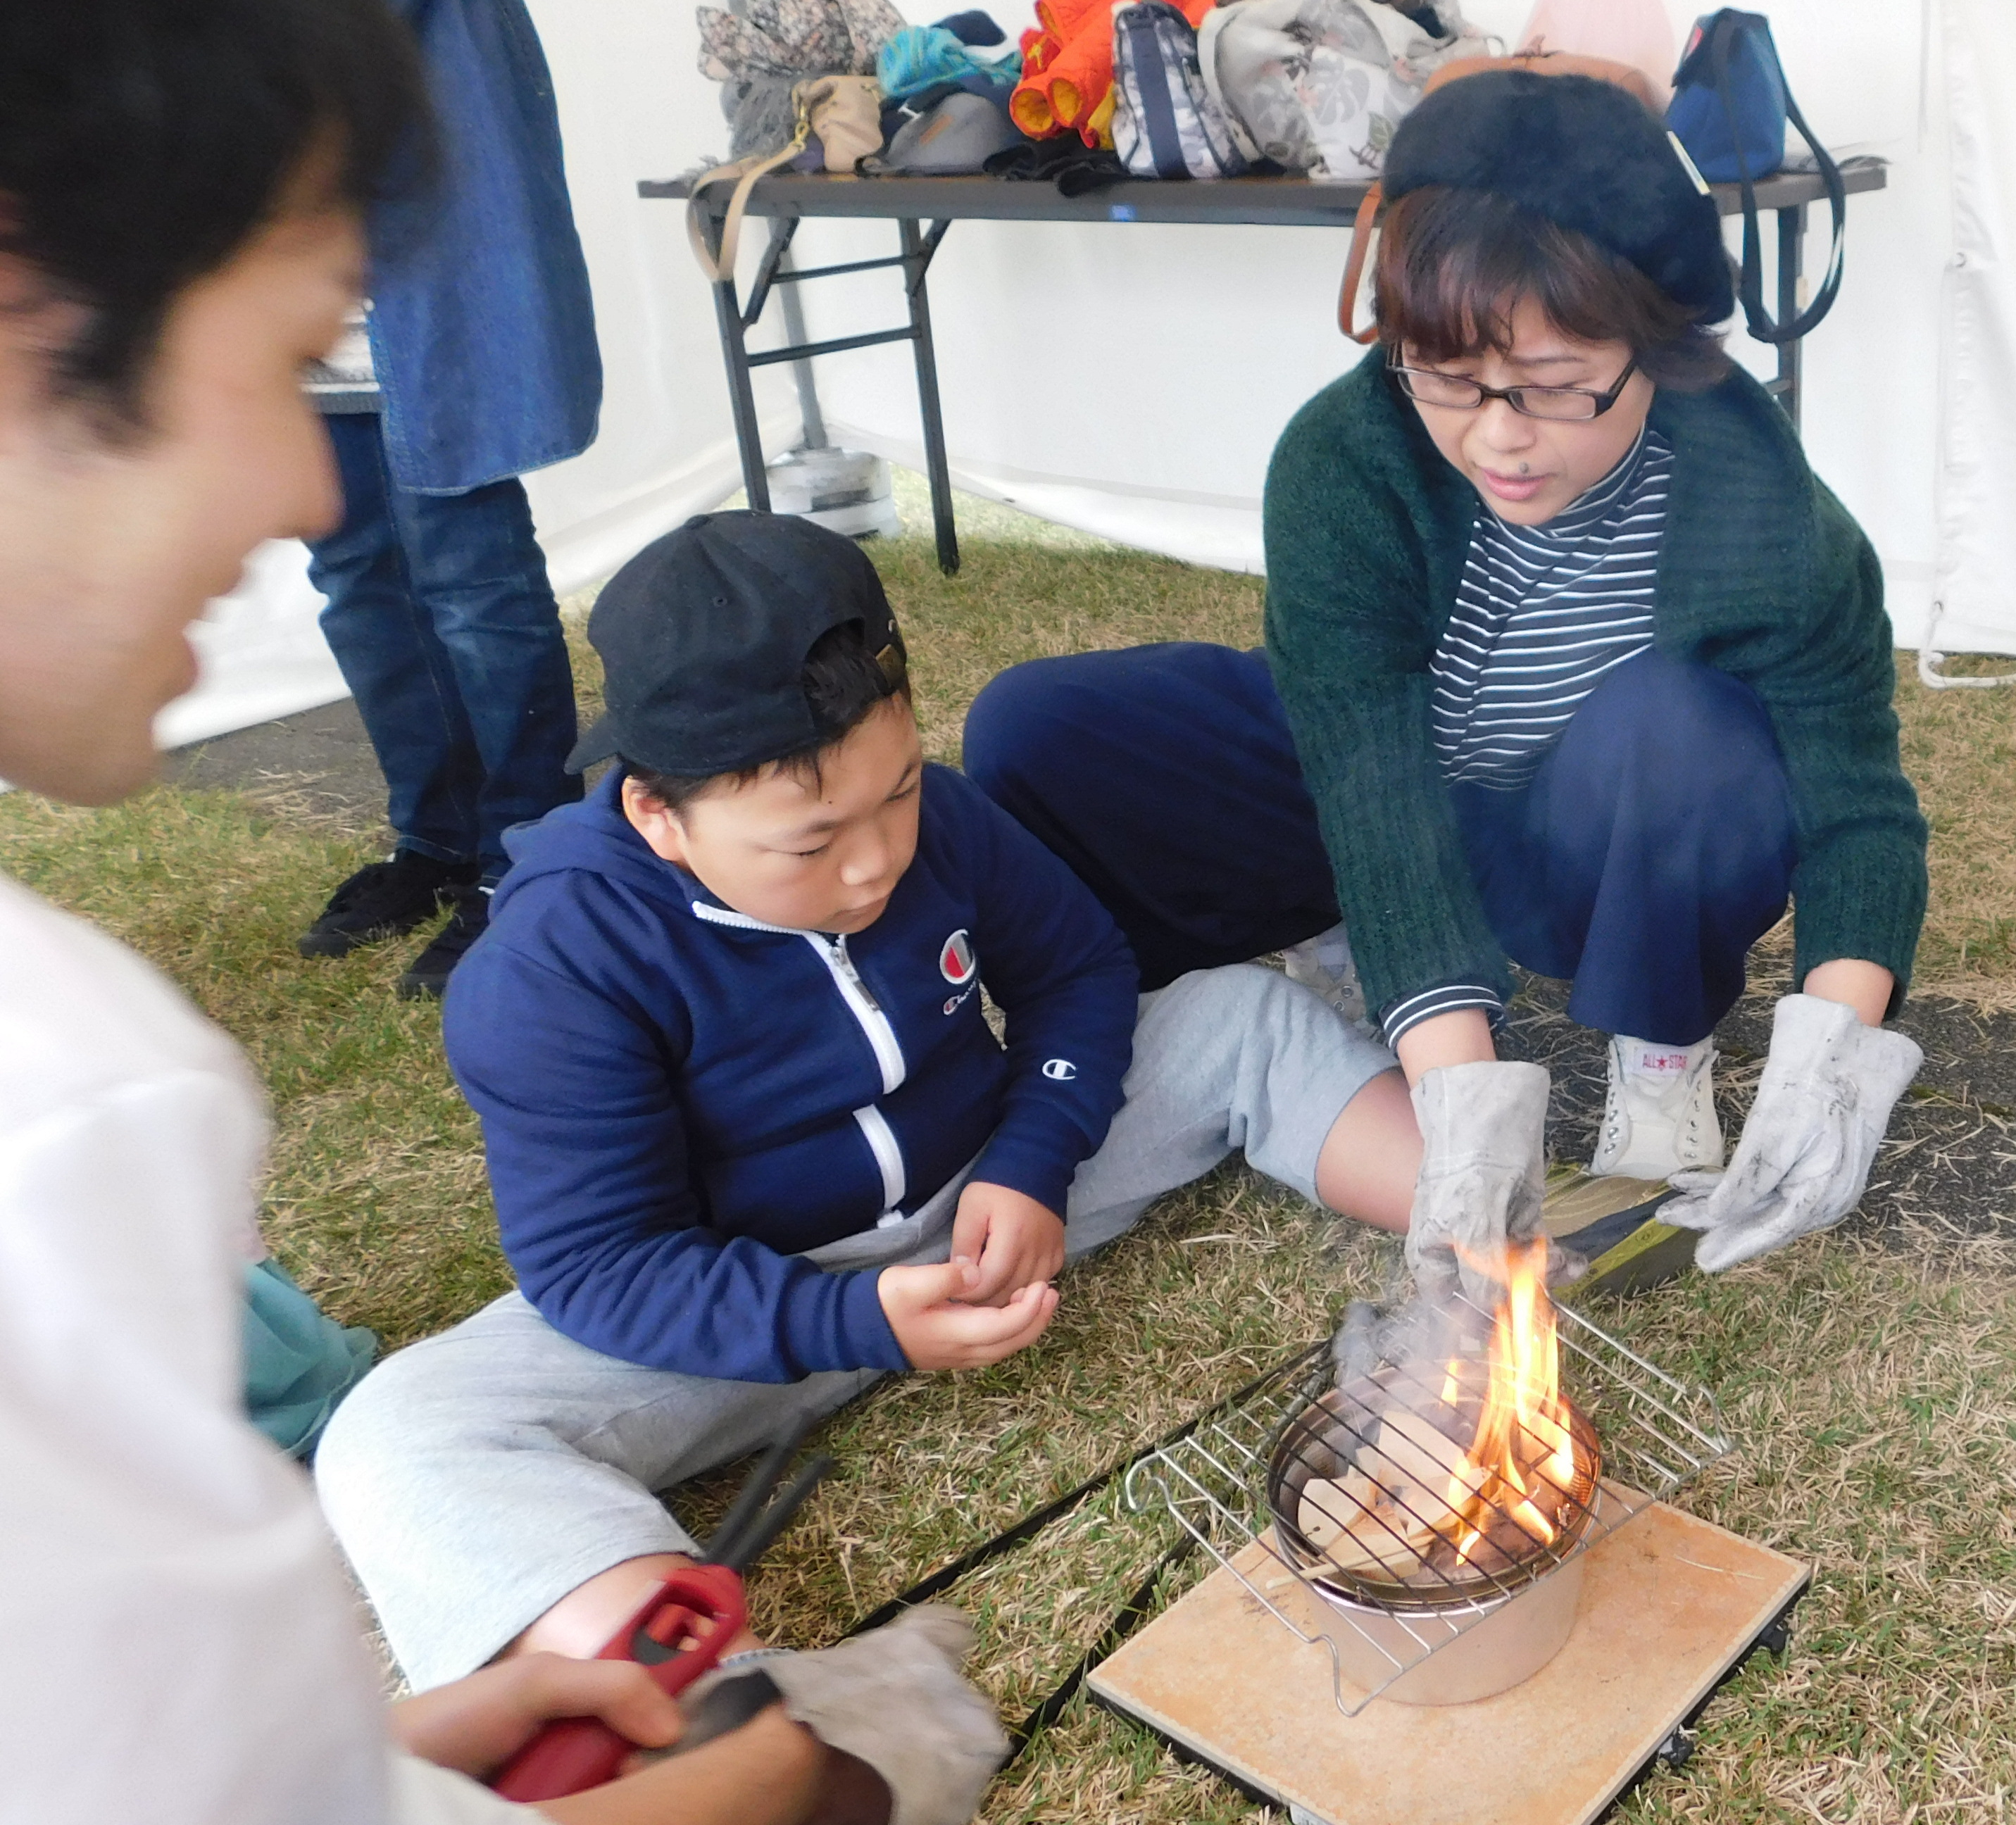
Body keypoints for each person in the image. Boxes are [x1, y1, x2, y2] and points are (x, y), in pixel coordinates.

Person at [0, 3, 996, 1820]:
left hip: (897, 1246)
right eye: (291, 353)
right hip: (722, 1333)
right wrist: (740, 1795)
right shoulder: (68, 1103)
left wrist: (377, 1763)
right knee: (412, 1435)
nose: (313, 484)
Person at [313, 510, 1425, 1691]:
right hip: (747, 1295)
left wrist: (1033, 1153)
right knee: (401, 1434)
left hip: (987, 1192)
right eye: (808, 843)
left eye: (893, 794)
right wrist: (857, 1323)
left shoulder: (932, 818)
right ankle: (737, 1731)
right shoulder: (553, 969)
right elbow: (600, 1267)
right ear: (658, 815)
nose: (874, 863)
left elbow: (1076, 971)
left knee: (1233, 1015)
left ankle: (1491, 1225)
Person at [958, 68, 1926, 1282]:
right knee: (1040, 730)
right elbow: (1366, 776)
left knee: (1690, 728)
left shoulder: (1760, 501)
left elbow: (1859, 812)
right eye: (1448, 376)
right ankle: (1361, 966)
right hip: (1401, 767)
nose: (1498, 437)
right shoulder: (1346, 457)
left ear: (1660, 346)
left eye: (1558, 384)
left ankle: (1662, 1043)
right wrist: (1458, 1093)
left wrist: (1835, 1051)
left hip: (1573, 837)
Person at [293, 0, 600, 998]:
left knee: (473, 582)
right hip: (301, 289)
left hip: (429, 273)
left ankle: (527, 859)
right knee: (356, 578)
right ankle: (432, 843)